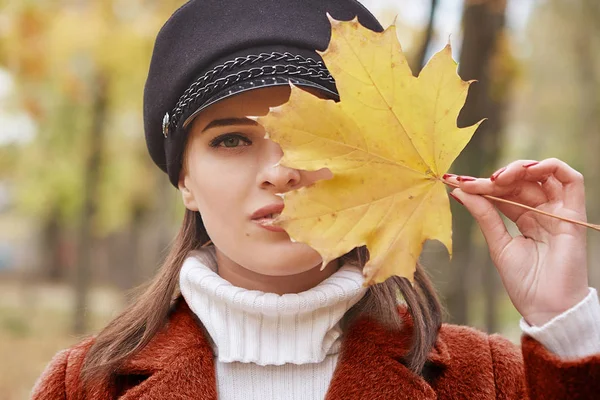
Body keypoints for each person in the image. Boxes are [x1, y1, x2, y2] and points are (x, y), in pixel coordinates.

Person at [32, 0, 600, 399]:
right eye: (232, 140)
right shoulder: (85, 387)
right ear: (185, 180)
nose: (279, 172)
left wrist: (563, 325)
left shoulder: (491, 381)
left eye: (310, 140)